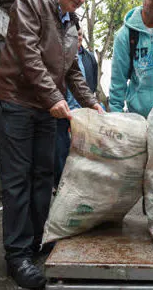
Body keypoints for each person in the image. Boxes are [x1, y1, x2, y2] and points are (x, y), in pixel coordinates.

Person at [0, 0, 104, 289]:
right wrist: (54, 97)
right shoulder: (30, 2)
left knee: (43, 176)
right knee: (17, 180)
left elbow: (72, 73)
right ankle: (17, 256)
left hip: (44, 108)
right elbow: (28, 53)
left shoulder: (72, 25)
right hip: (14, 102)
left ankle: (38, 240)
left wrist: (92, 103)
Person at [54, 24, 98, 189]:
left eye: (80, 35)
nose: (78, 38)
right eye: (75, 35)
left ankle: (84, 183)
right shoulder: (61, 53)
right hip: (63, 109)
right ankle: (61, 184)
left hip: (83, 110)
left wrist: (91, 103)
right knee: (61, 148)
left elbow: (91, 82)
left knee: (84, 148)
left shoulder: (89, 57)